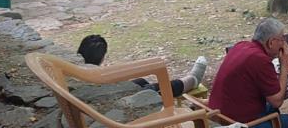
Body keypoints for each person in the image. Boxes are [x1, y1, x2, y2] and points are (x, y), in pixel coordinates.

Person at [207, 18, 288, 128]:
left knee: (272, 109)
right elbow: (277, 101)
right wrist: (284, 65)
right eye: (282, 39)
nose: (284, 43)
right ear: (271, 42)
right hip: (235, 123)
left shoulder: (241, 45)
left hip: (220, 113)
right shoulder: (260, 60)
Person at [77, 35, 207, 98]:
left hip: (101, 98)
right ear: (102, 57)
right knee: (156, 89)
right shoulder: (97, 78)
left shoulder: (77, 72)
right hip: (115, 107)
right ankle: (193, 80)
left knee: (141, 81)